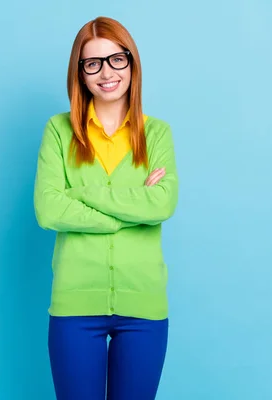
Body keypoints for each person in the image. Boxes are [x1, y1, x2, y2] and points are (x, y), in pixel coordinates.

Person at [33, 16, 179, 400]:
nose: (106, 72)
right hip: (75, 306)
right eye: (92, 63)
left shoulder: (157, 133)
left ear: (132, 63)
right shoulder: (58, 131)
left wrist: (81, 192)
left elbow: (162, 202)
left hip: (143, 305)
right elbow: (48, 209)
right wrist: (130, 214)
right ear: (80, 73)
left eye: (117, 59)